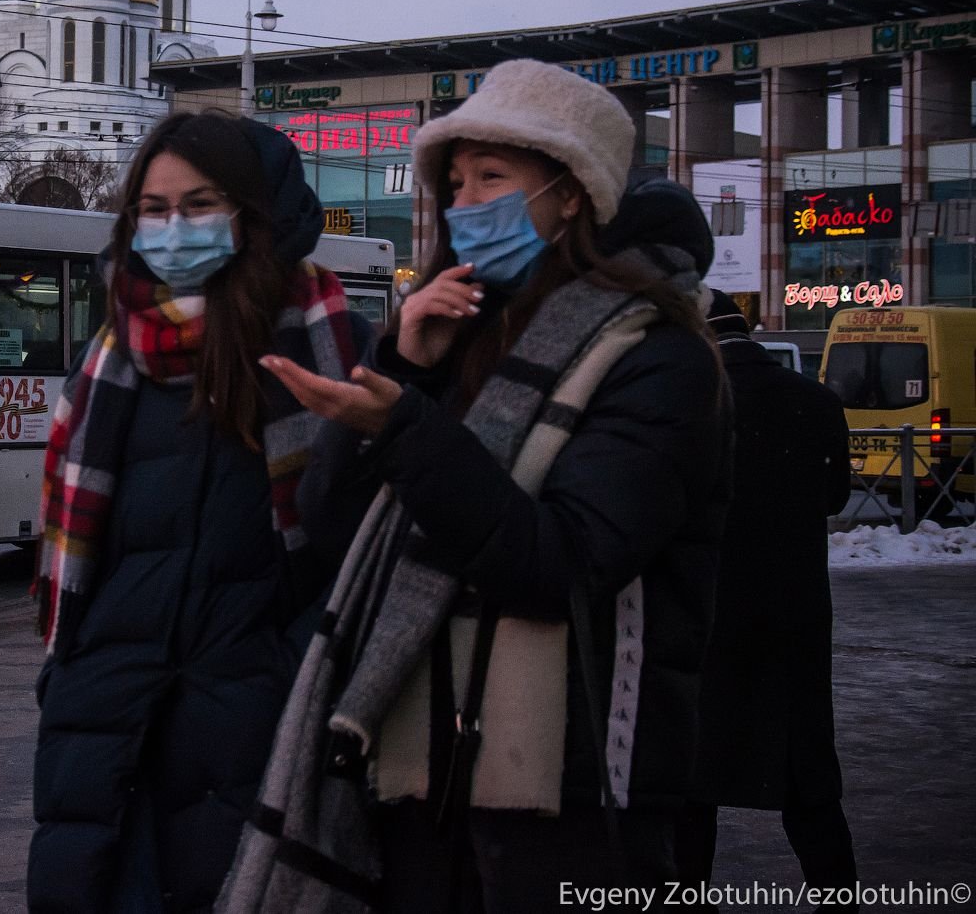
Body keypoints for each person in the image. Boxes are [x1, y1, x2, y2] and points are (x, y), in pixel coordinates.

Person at [227, 59, 731, 912]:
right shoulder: (458, 336)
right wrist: (402, 370)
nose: (464, 206)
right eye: (454, 183)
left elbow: (561, 560)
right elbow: (340, 532)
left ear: (571, 192)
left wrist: (406, 429)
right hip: (424, 769)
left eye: (492, 178)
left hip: (574, 794)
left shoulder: (655, 357)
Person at [27, 111, 372, 912]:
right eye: (153, 208)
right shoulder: (113, 359)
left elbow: (358, 560)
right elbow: (90, 564)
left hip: (253, 748)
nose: (173, 227)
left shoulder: (330, 349)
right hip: (107, 748)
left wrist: (272, 680)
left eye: (199, 203)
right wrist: (71, 678)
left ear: (253, 216)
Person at [675, 291, 858, 912]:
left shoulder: (688, 406)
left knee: (689, 792)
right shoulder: (817, 402)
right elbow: (835, 498)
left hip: (706, 621)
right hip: (794, 624)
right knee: (806, 782)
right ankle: (838, 898)